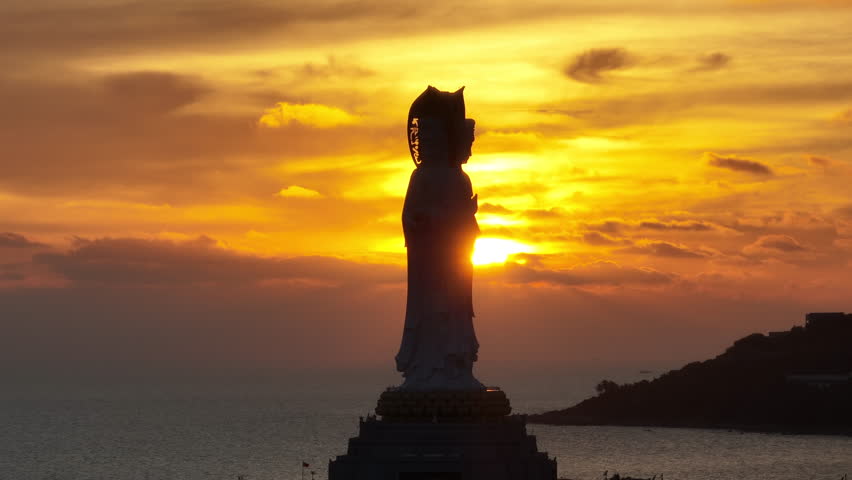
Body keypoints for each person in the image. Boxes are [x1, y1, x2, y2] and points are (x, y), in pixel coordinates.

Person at [395, 86, 482, 391]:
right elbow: (410, 218)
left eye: (436, 137)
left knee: (455, 312)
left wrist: (464, 219)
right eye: (426, 138)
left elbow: (466, 224)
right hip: (430, 262)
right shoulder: (421, 177)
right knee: (432, 312)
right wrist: (435, 220)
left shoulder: (460, 177)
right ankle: (427, 371)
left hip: (455, 261)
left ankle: (456, 369)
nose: (430, 143)